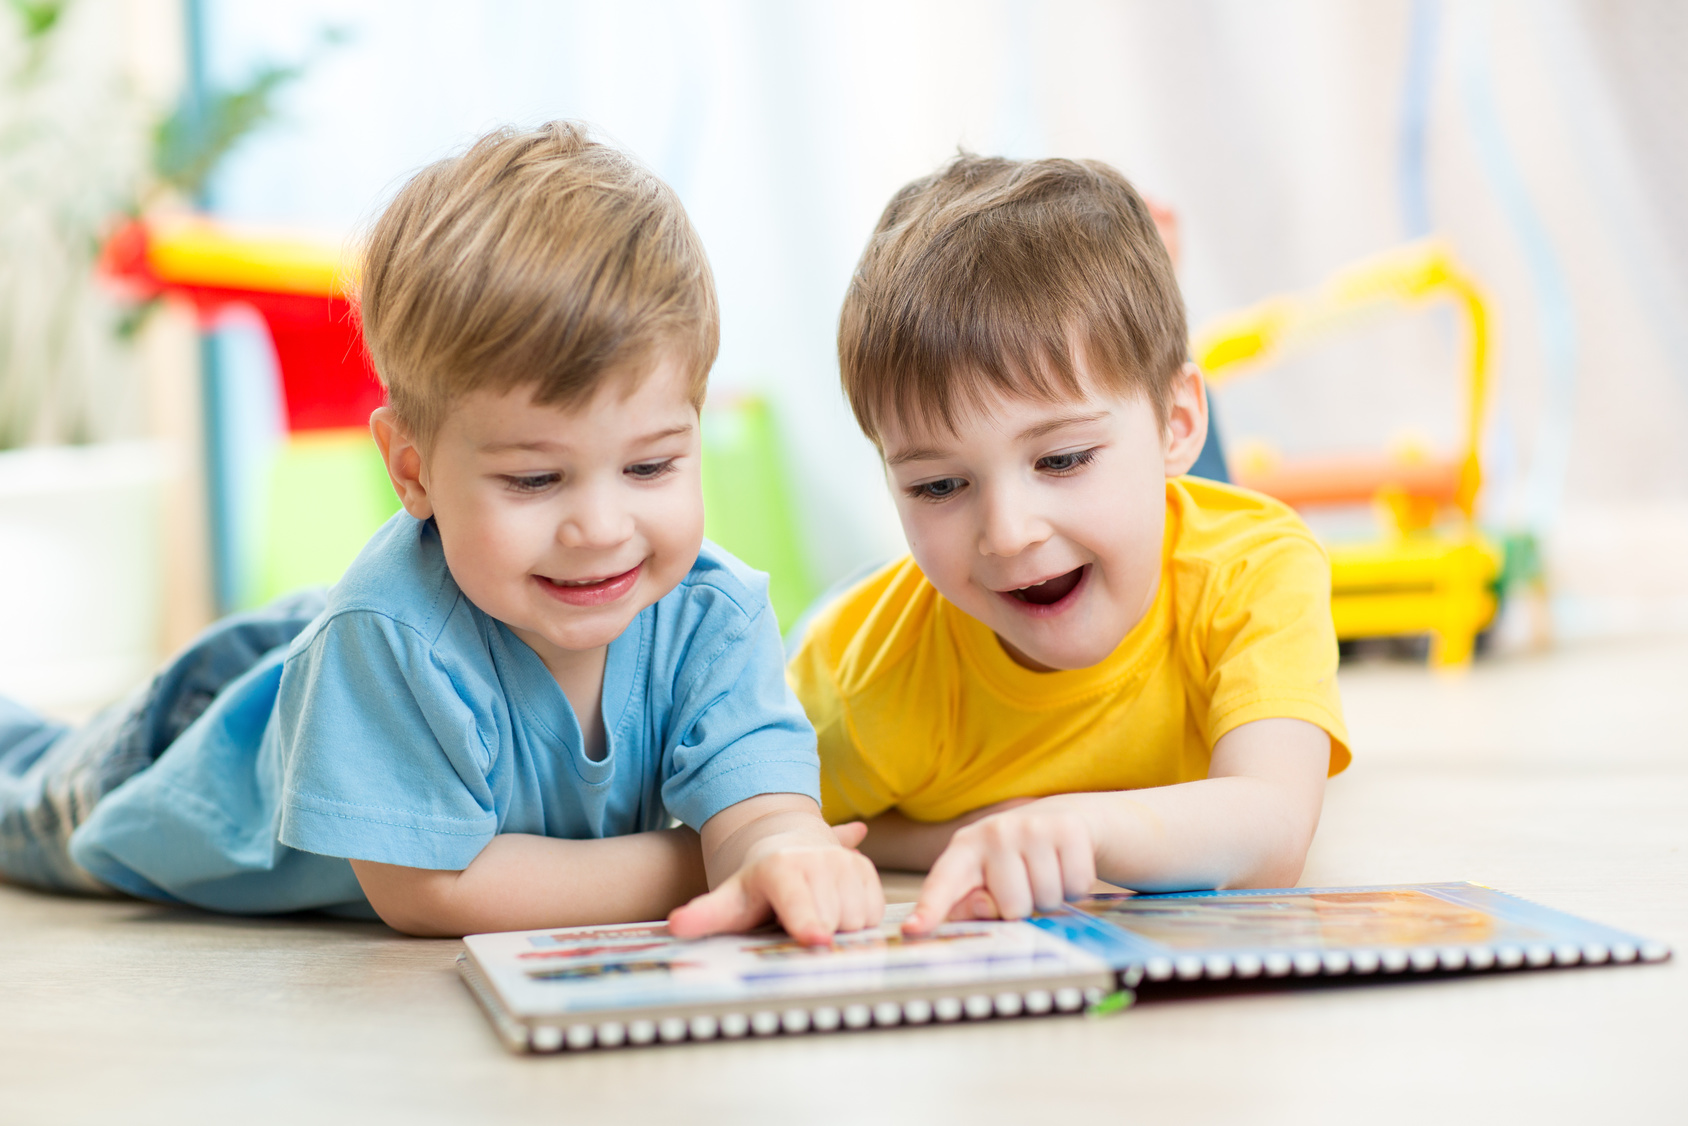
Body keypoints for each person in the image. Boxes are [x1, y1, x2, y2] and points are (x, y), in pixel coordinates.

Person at [0, 122, 882, 943]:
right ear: (412, 472)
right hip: (182, 752)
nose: (602, 527)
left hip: (329, 655)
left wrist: (769, 846)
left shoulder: (713, 617)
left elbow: (765, 808)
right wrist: (699, 861)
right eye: (536, 479)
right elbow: (432, 889)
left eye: (650, 468)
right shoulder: (393, 639)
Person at [788, 153, 1350, 935]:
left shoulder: (1259, 568)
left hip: (1174, 501)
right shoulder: (861, 686)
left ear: (1182, 418)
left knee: (1176, 486)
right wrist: (970, 835)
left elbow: (1272, 831)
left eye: (1060, 460)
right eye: (937, 486)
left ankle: (1153, 334)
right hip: (865, 605)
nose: (1009, 533)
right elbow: (773, 826)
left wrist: (1076, 830)